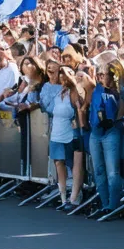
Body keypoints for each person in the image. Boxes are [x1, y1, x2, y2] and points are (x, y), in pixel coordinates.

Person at [43, 65, 85, 210]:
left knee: (74, 165)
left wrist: (70, 77)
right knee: (59, 163)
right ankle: (63, 198)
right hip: (56, 132)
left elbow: (80, 110)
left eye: (65, 74)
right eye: (61, 74)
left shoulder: (75, 92)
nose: (62, 77)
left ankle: (75, 195)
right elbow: (46, 106)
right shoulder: (58, 91)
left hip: (71, 133)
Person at [88, 59, 124, 215]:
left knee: (112, 172)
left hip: (111, 132)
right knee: (98, 171)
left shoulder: (120, 92)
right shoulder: (96, 89)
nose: (100, 77)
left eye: (104, 74)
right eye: (99, 75)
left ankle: (113, 205)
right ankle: (105, 204)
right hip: (95, 133)